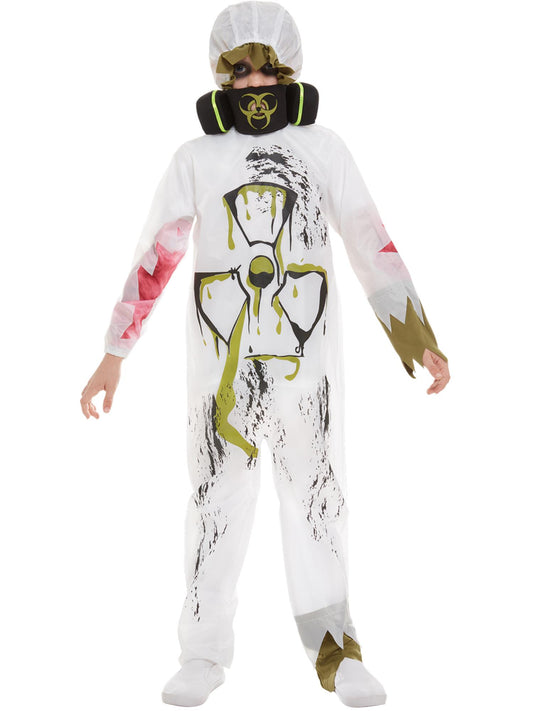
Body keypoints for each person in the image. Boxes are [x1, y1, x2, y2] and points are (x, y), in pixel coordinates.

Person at [80, 1, 450, 707]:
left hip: (305, 374)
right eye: (240, 71)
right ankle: (202, 652)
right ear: (222, 78)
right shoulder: (195, 160)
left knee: (317, 498)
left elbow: (368, 238)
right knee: (214, 501)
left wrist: (415, 336)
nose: (254, 84)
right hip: (219, 376)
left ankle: (336, 651)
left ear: (289, 72)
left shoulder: (323, 150)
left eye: (267, 70)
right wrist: (114, 352)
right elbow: (156, 255)